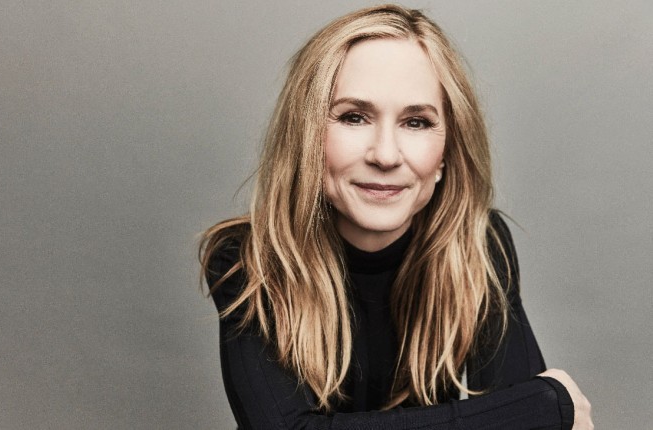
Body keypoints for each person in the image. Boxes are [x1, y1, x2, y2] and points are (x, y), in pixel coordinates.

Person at [200, 5, 593, 429]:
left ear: (446, 154)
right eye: (353, 117)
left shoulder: (479, 244)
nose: (386, 155)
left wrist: (528, 413)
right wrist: (545, 404)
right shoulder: (248, 259)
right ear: (306, 137)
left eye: (416, 122)